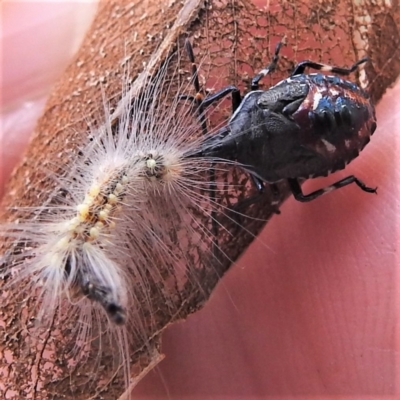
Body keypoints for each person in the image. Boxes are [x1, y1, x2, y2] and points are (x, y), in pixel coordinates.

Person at [1, 1, 399, 397]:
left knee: (303, 190)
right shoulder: (246, 111)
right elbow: (261, 87)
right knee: (296, 78)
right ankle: (342, 93)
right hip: (322, 103)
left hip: (319, 127)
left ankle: (343, 154)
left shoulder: (257, 166)